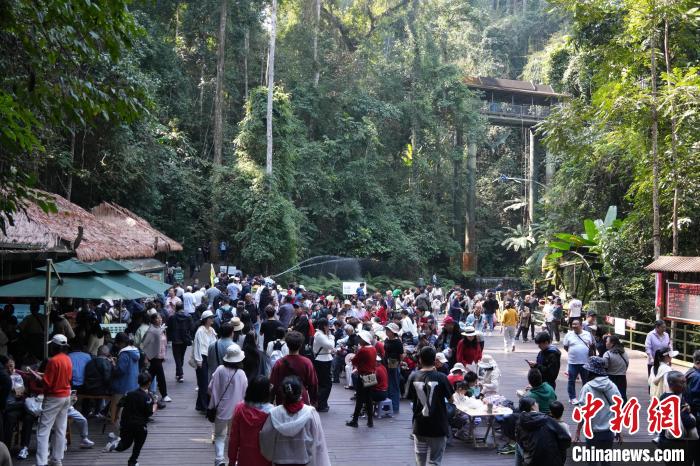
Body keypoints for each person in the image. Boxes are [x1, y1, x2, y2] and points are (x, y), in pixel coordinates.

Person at [259, 375, 331, 466]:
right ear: (301, 392)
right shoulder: (310, 413)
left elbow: (266, 436)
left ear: (283, 393)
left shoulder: (274, 413)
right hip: (303, 461)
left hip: (280, 460)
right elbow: (319, 441)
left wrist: (270, 454)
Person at [405, 346, 454, 466]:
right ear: (434, 360)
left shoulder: (413, 376)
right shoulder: (442, 377)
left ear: (420, 360)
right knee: (434, 461)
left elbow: (409, 397)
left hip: (420, 427)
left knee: (420, 461)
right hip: (438, 427)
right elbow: (451, 399)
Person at [32, 334, 72, 466]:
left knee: (43, 430)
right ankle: (57, 459)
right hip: (66, 396)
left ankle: (41, 462)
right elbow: (66, 377)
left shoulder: (53, 361)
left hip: (54, 397)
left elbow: (47, 383)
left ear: (55, 346)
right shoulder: (67, 359)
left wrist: (36, 376)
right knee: (61, 428)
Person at [574, 356, 621, 463]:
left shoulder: (587, 388)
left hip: (592, 433)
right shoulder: (612, 386)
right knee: (606, 462)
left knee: (592, 462)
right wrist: (619, 431)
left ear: (591, 372)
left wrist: (577, 431)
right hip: (608, 432)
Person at [209, 343, 248, 466]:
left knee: (220, 436)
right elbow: (245, 393)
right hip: (237, 411)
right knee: (234, 437)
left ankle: (219, 459)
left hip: (221, 409)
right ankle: (234, 460)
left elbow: (210, 388)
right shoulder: (241, 373)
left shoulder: (219, 370)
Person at [104, 372, 154, 466]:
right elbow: (149, 413)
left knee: (125, 444)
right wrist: (154, 405)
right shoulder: (148, 398)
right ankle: (132, 461)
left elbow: (119, 405)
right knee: (139, 442)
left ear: (138, 382)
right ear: (149, 383)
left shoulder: (129, 394)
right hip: (139, 425)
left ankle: (114, 444)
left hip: (126, 423)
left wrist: (115, 417)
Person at [228, 375, 273, 466]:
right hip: (265, 459)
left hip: (244, 458)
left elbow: (234, 438)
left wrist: (232, 460)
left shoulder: (239, 409)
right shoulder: (272, 412)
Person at [515, 397, 570, 466]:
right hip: (551, 460)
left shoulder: (519, 422)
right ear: (532, 407)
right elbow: (565, 439)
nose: (537, 404)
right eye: (536, 403)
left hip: (531, 460)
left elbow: (519, 439)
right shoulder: (547, 419)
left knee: (517, 446)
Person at [269, 331, 318, 406]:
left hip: (283, 398)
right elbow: (313, 383)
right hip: (301, 398)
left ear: (287, 345)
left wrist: (270, 401)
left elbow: (273, 384)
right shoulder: (307, 362)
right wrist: (313, 401)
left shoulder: (279, 363)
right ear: (300, 345)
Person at [3, 356, 32, 460]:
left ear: (14, 366)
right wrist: (13, 388)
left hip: (18, 404)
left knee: (29, 417)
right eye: (7, 367)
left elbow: (19, 393)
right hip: (8, 406)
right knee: (9, 417)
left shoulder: (18, 376)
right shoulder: (2, 376)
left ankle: (24, 447)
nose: (9, 369)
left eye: (11, 366)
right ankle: (6, 448)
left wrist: (10, 387)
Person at [346, 330, 377, 428]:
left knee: (359, 399)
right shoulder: (373, 348)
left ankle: (355, 420)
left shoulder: (363, 350)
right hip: (371, 375)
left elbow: (355, 361)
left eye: (360, 338)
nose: (359, 340)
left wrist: (353, 357)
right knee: (369, 399)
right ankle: (370, 421)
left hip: (363, 375)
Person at [110, 332, 141, 426]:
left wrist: (113, 365)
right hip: (133, 385)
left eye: (117, 343)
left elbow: (120, 371)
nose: (116, 345)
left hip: (123, 386)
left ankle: (116, 427)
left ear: (121, 343)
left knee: (117, 408)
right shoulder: (135, 351)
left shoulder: (124, 354)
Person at [142, 312, 171, 402]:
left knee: (151, 375)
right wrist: (146, 357)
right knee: (160, 376)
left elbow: (163, 343)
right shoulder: (152, 330)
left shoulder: (161, 329)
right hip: (154, 356)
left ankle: (142, 390)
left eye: (160, 318)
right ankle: (164, 395)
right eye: (157, 318)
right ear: (153, 320)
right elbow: (145, 343)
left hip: (160, 356)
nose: (160, 319)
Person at [562, 319, 593, 403]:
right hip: (573, 362)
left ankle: (585, 397)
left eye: (576, 324)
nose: (574, 326)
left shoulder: (587, 334)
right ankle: (572, 398)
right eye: (573, 324)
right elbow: (565, 347)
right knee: (571, 380)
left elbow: (591, 345)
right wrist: (574, 352)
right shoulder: (569, 335)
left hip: (585, 362)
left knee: (586, 381)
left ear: (581, 325)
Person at [193, 310, 217, 411]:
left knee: (205, 381)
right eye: (211, 318)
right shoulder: (200, 331)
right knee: (203, 383)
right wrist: (199, 360)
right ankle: (204, 406)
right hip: (202, 358)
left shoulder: (211, 330)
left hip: (209, 357)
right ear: (206, 319)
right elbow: (197, 346)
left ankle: (199, 405)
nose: (212, 319)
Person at [166, 303, 193, 383]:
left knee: (177, 357)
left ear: (176, 308)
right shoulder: (188, 316)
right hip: (185, 339)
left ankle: (180, 374)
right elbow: (191, 327)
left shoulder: (172, 317)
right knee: (181, 356)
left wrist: (169, 338)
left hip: (176, 340)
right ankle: (179, 373)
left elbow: (169, 328)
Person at [312, 318, 335, 413]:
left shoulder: (320, 334)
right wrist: (331, 337)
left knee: (324, 384)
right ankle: (321, 404)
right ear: (324, 326)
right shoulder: (319, 335)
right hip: (322, 360)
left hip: (324, 359)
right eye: (328, 325)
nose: (329, 328)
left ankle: (322, 403)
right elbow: (330, 346)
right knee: (325, 384)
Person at [383, 322, 404, 413]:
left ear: (393, 332)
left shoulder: (398, 342)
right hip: (386, 363)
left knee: (394, 385)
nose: (387, 331)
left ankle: (395, 406)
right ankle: (387, 406)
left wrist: (397, 363)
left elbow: (401, 355)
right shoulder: (386, 340)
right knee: (388, 384)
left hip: (394, 363)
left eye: (388, 330)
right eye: (387, 329)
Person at [602, 335, 629, 400]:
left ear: (612, 343)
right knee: (622, 395)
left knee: (610, 397)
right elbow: (627, 364)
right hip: (622, 377)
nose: (605, 343)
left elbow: (604, 366)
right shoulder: (624, 353)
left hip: (610, 378)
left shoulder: (607, 354)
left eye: (607, 341)